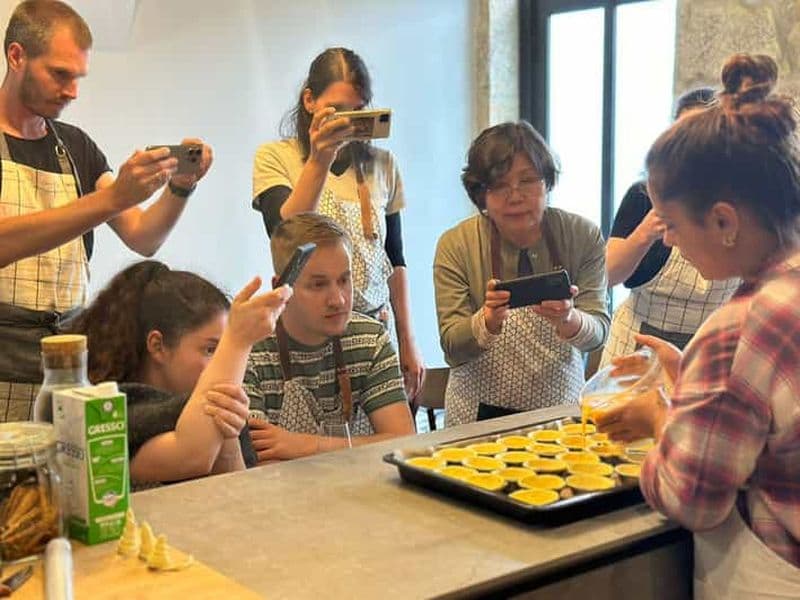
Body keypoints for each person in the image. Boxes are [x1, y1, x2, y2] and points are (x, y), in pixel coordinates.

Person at [594, 54, 800, 598]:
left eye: (673, 224)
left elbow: (692, 497)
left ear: (724, 221)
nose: (669, 241)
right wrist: (695, 387)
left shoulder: (738, 328)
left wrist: (661, 417)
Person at [0, 1, 213, 421]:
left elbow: (143, 236)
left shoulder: (76, 148)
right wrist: (112, 199)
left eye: (78, 78)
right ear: (17, 56)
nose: (73, 92)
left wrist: (180, 187)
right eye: (60, 74)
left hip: (67, 368)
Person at [251, 47, 424, 404]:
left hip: (374, 328)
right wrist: (320, 158)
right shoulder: (276, 157)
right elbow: (284, 232)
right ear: (310, 101)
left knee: (379, 440)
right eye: (338, 111)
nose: (349, 122)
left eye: (358, 111)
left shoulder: (382, 163)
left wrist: (408, 339)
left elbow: (395, 259)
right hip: (308, 331)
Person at [434, 121, 609, 426]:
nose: (515, 197)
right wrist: (486, 322)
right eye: (499, 186)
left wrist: (570, 320)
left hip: (558, 414)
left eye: (528, 181)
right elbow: (451, 344)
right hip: (474, 416)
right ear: (480, 194)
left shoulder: (583, 236)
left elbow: (599, 331)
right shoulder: (456, 244)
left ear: (547, 183)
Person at [69, 260, 292, 488]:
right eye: (210, 349)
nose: (222, 364)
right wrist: (237, 341)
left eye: (222, 350)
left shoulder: (211, 403)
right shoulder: (116, 411)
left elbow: (238, 493)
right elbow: (193, 456)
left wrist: (229, 436)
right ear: (158, 346)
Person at [244, 212, 415, 462]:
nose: (338, 300)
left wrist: (305, 445)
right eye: (318, 285)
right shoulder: (251, 349)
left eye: (344, 280)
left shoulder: (370, 338)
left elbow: (403, 440)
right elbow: (256, 459)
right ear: (281, 287)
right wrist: (353, 447)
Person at [600, 87, 739, 366]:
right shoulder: (644, 196)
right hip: (637, 344)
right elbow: (605, 276)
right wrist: (646, 231)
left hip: (710, 351)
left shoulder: (743, 208)